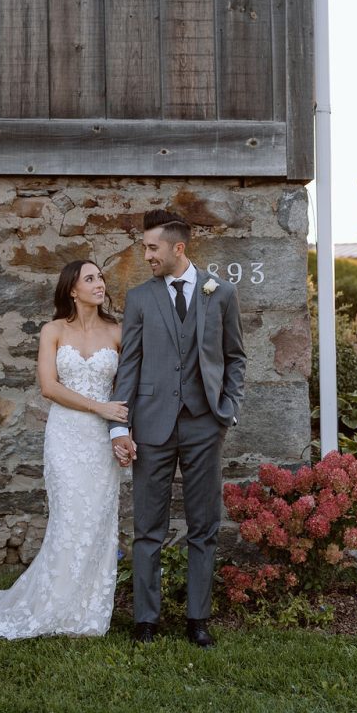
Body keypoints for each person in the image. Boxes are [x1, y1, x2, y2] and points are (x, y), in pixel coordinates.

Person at [0, 260, 130, 639]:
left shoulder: (118, 332)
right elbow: (49, 387)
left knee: (97, 521)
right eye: (90, 278)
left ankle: (86, 612)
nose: (99, 284)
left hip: (101, 442)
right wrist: (99, 407)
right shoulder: (53, 331)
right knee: (68, 520)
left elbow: (127, 386)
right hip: (66, 436)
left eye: (100, 277)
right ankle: (52, 607)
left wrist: (120, 431)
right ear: (72, 289)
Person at [109, 209, 246, 648]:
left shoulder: (220, 293)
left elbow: (235, 357)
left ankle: (197, 618)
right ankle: (146, 619)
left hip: (206, 424)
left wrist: (227, 408)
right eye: (145, 247)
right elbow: (128, 363)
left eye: (153, 247)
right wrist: (120, 426)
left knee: (204, 524)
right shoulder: (140, 298)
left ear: (178, 248)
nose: (147, 254)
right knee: (148, 524)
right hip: (151, 424)